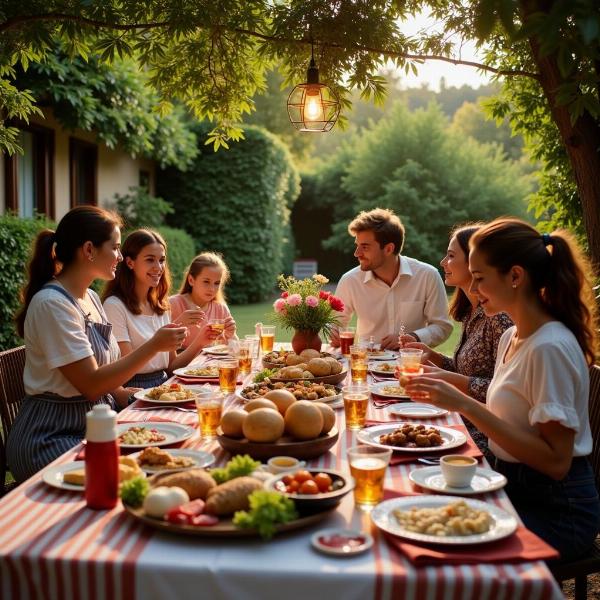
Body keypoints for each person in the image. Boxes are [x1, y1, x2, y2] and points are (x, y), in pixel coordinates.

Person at [404, 217, 600, 562]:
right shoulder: (513, 336)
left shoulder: (548, 347)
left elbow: (556, 463)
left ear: (515, 276)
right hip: (512, 485)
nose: (473, 290)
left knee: (439, 547)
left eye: (479, 278)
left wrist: (463, 403)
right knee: (414, 508)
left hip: (556, 511)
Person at [6, 207, 186, 483]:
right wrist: (153, 346)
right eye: (114, 247)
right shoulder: (52, 304)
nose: (118, 255)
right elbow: (90, 385)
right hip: (51, 435)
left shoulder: (89, 297)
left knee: (166, 450)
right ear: (89, 249)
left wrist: (134, 396)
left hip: (97, 423)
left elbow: (105, 372)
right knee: (134, 476)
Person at [399, 224, 513, 456]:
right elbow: (469, 369)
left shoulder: (499, 317)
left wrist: (446, 379)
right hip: (463, 421)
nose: (443, 262)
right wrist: (434, 357)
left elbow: (503, 392)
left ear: (474, 263)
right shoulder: (472, 312)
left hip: (482, 434)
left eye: (451, 256)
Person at [102, 230, 217, 388]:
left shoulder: (161, 306)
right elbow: (127, 368)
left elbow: (171, 367)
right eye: (150, 260)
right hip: (133, 387)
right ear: (130, 263)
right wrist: (158, 341)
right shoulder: (114, 306)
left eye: (162, 260)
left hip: (164, 384)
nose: (158, 267)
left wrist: (201, 341)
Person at [330, 208, 452, 350]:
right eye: (357, 245)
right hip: (365, 365)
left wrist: (414, 337)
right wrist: (334, 335)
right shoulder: (350, 281)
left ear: (388, 249)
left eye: (365, 247)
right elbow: (335, 324)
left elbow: (442, 326)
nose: (357, 253)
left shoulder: (427, 276)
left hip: (410, 365)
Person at [169, 252, 236, 349]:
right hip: (183, 364)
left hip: (212, 363)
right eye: (206, 281)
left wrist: (230, 335)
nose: (212, 289)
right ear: (191, 280)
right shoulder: (173, 304)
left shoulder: (220, 308)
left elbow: (236, 349)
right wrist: (178, 324)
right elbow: (160, 346)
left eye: (217, 283)